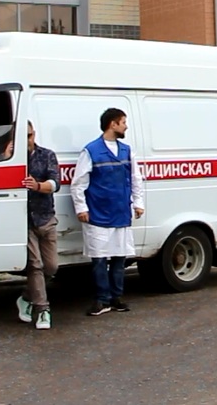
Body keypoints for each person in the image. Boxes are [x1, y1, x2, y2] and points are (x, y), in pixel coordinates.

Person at [71, 108, 144, 316]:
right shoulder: (91, 151)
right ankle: (101, 299)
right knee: (99, 260)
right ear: (113, 124)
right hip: (98, 215)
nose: (126, 126)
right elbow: (79, 183)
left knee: (120, 259)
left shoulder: (127, 151)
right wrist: (82, 208)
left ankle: (117, 297)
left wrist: (138, 203)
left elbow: (135, 179)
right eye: (123, 122)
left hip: (121, 213)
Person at [16, 121, 60, 330]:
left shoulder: (47, 155)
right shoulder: (13, 158)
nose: (27, 141)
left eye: (29, 136)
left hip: (45, 217)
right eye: (22, 136)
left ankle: (26, 296)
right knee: (35, 266)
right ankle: (43, 310)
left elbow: (55, 183)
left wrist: (38, 186)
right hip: (24, 220)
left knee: (51, 267)